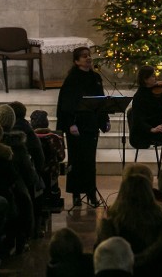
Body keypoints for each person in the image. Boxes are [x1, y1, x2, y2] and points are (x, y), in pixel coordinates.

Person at [56, 46, 110, 207]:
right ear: (76, 61)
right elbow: (66, 104)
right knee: (76, 160)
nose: (88, 58)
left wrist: (104, 120)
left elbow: (100, 102)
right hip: (76, 125)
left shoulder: (95, 77)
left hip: (91, 124)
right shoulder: (72, 79)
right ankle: (76, 194)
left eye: (89, 55)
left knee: (89, 161)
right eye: (84, 56)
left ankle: (91, 193)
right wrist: (71, 124)